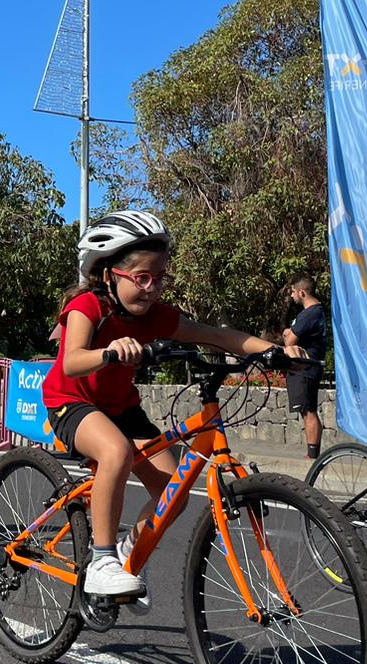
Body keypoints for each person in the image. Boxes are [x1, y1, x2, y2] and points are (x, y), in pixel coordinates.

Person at [43, 210, 308, 606]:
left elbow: (217, 336)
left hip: (121, 408)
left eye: (160, 278)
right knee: (115, 450)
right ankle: (100, 562)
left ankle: (126, 553)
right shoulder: (87, 306)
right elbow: (72, 361)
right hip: (72, 402)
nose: (152, 289)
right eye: (142, 278)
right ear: (109, 274)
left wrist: (273, 352)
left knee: (175, 494)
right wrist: (111, 352)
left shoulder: (156, 316)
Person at [281, 274, 327, 459]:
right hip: (306, 368)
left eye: (293, 292)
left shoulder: (310, 313)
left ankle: (312, 454)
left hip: (304, 368)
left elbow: (289, 341)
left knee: (308, 410)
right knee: (306, 409)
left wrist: (287, 333)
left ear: (301, 292)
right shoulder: (315, 312)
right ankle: (312, 452)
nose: (291, 295)